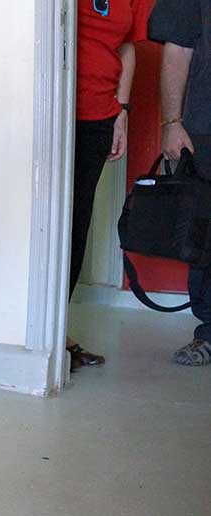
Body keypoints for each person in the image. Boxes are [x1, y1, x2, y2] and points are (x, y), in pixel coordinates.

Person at [69, 0, 150, 371]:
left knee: (77, 225)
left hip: (99, 116)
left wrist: (122, 112)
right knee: (51, 228)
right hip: (60, 111)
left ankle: (59, 330)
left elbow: (126, 47)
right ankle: (46, 336)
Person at [149, 0, 211, 366]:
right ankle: (208, 333)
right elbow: (178, 49)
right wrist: (172, 123)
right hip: (205, 128)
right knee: (205, 238)